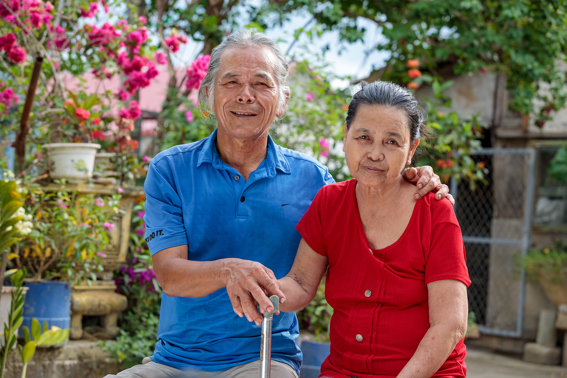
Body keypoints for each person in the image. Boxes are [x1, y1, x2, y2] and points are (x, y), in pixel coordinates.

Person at [105, 30, 453, 378]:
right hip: (173, 361)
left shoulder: (316, 182)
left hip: (265, 357)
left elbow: (369, 199)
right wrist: (229, 270)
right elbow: (168, 274)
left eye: (261, 83)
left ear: (283, 99)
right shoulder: (170, 169)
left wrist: (413, 177)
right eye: (231, 82)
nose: (245, 95)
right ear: (207, 94)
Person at [244, 81, 470, 378]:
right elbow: (299, 283)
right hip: (344, 371)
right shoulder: (330, 203)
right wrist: (264, 289)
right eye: (364, 137)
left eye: (392, 142)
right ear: (345, 138)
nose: (375, 153)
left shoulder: (434, 211)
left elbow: (450, 324)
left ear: (411, 149)